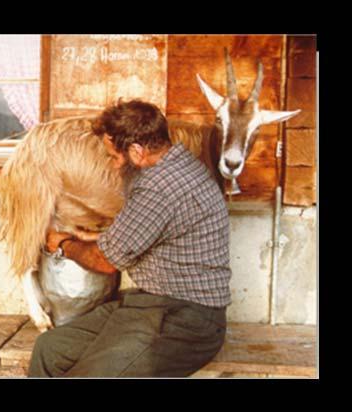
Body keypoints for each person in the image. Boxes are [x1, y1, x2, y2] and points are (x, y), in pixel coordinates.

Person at [28, 100, 232, 378]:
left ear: (137, 151)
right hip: (151, 305)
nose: (113, 166)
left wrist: (63, 245)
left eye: (114, 157)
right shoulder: (177, 165)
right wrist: (88, 236)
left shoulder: (159, 188)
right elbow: (145, 233)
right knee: (50, 348)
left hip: (186, 320)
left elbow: (105, 262)